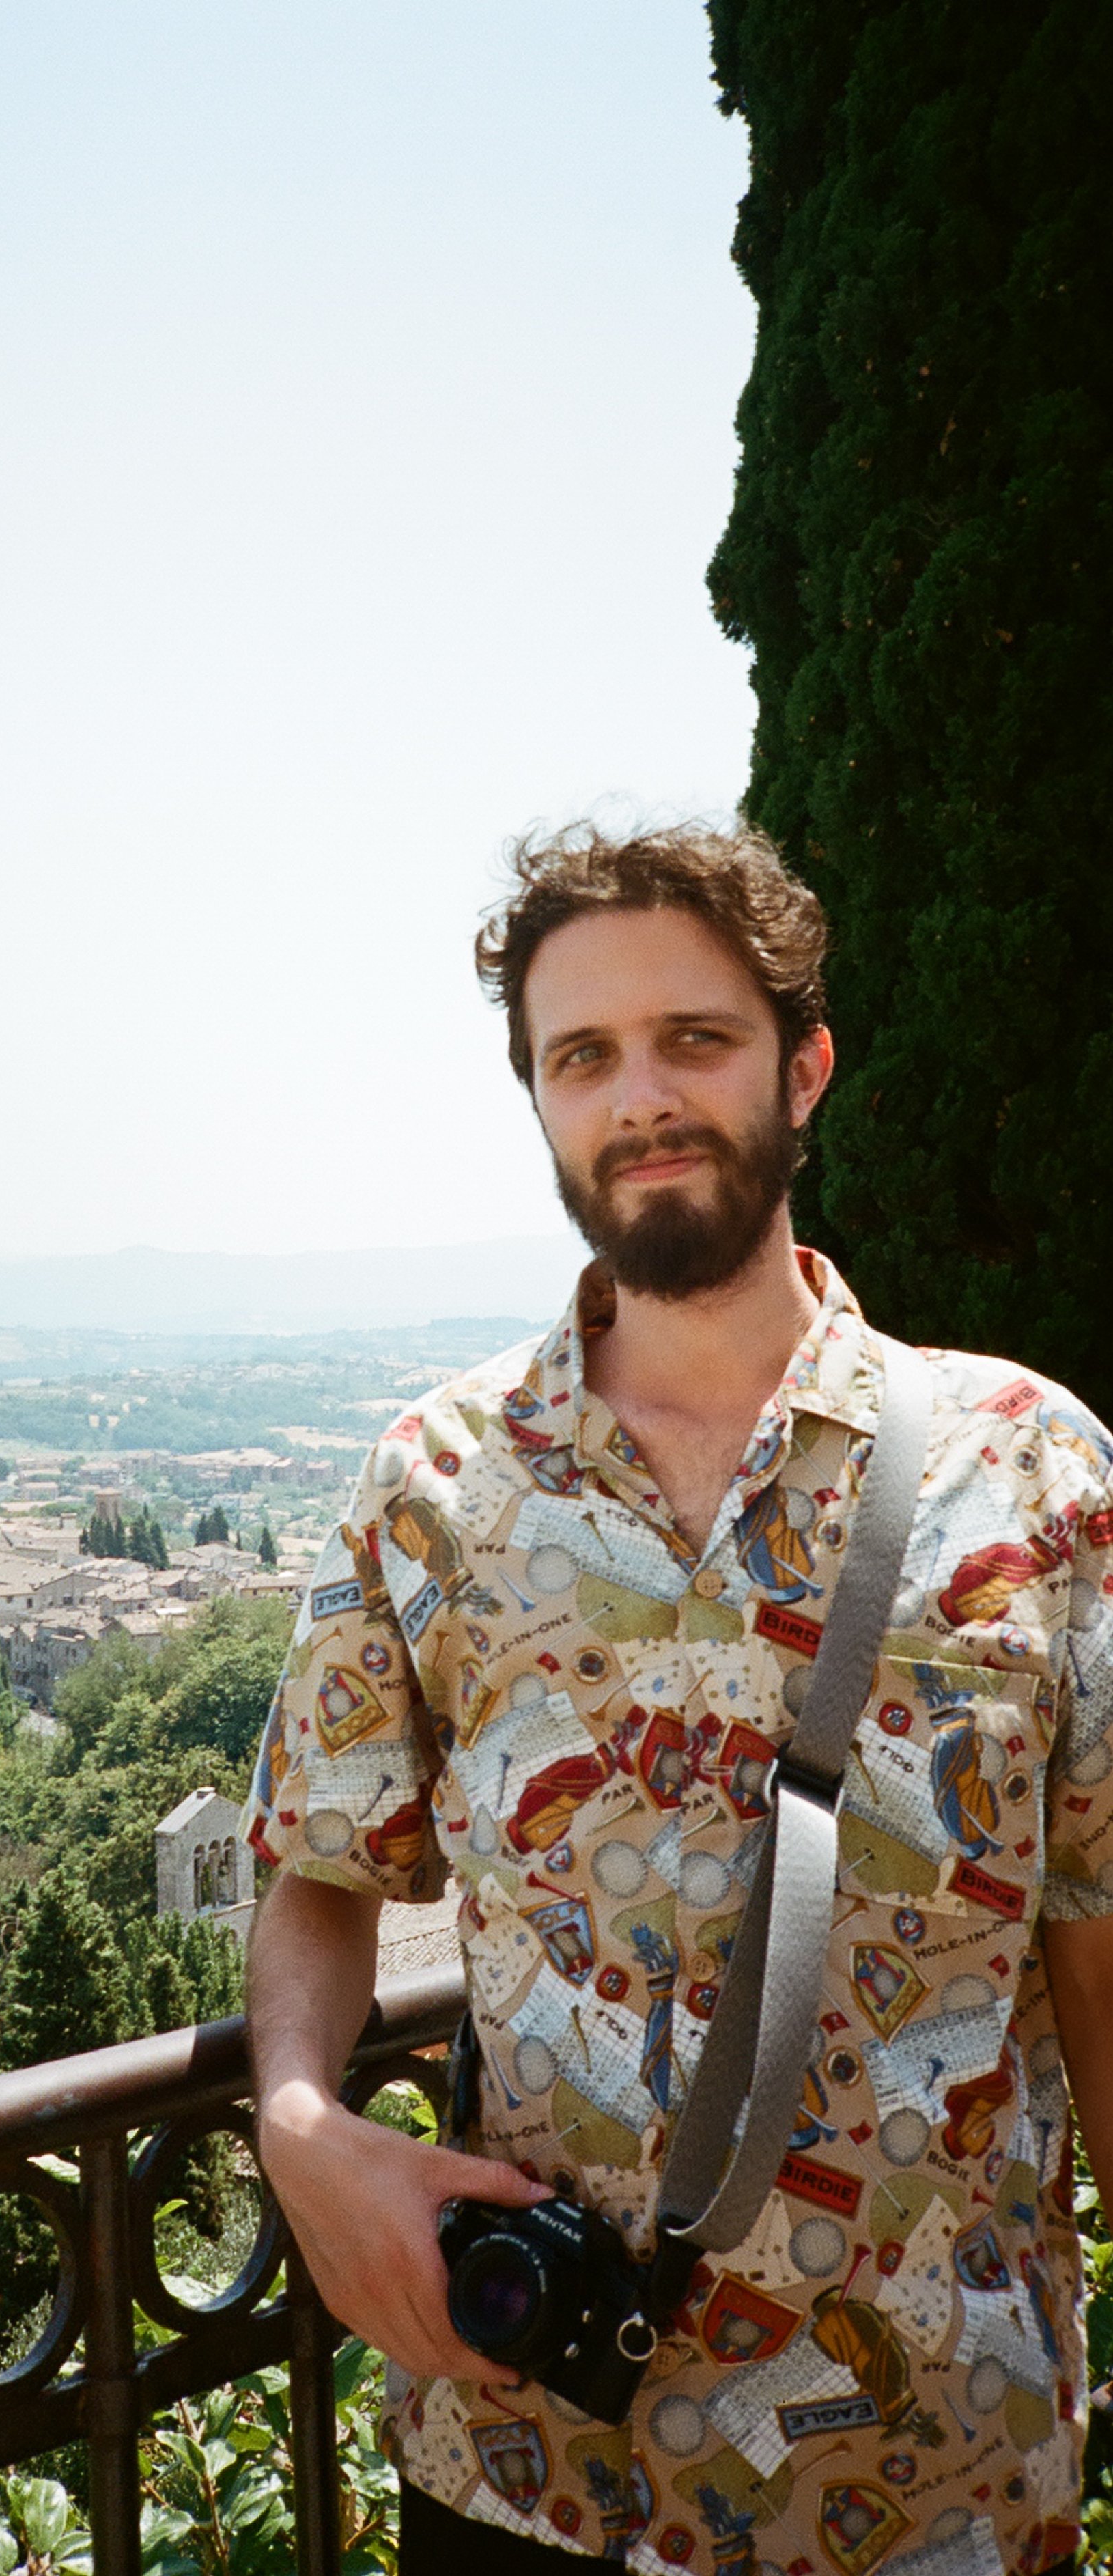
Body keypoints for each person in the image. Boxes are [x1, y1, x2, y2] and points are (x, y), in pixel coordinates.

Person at [242, 822, 1113, 2576]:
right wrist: (300, 2125)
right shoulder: (434, 1481)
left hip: (937, 2484)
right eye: (582, 1056)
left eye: (691, 1039)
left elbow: (1097, 1943)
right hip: (529, 2476)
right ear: (545, 1105)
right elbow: (318, 1870)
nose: (638, 1095)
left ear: (803, 1065)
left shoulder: (1039, 1474)